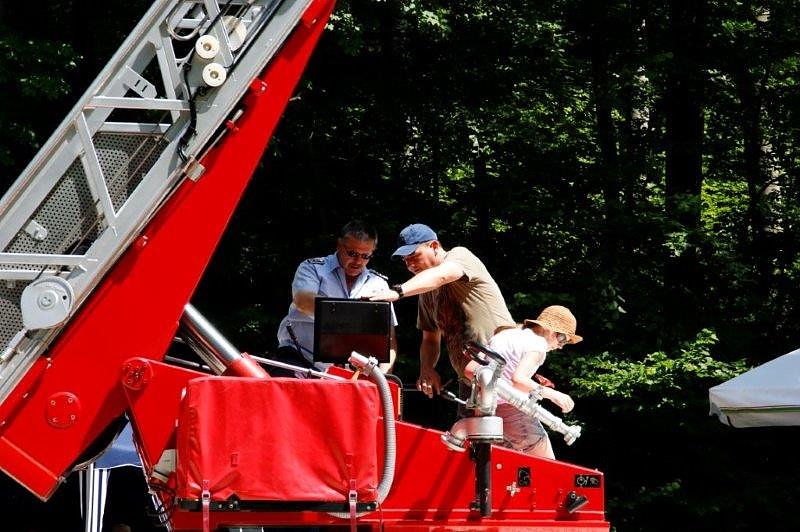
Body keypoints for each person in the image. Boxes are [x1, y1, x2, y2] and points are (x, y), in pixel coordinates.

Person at [369, 223, 515, 398]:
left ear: (434, 246)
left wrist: (398, 291)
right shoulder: (425, 290)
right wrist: (427, 369)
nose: (410, 265)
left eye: (414, 256)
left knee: (516, 424)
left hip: (504, 369)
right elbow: (430, 338)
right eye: (405, 260)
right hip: (471, 378)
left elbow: (443, 275)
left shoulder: (459, 255)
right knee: (466, 426)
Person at [275, 220, 397, 377]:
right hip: (299, 357)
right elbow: (303, 301)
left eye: (365, 256)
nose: (358, 261)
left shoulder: (378, 284)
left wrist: (383, 375)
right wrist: (357, 317)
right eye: (352, 253)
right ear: (339, 245)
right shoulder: (313, 268)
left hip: (348, 372)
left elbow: (388, 337)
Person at [467, 305, 581, 459]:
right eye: (562, 339)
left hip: (483, 410)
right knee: (546, 463)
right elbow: (518, 380)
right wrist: (553, 394)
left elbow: (470, 369)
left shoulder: (504, 334)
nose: (560, 346)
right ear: (550, 330)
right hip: (511, 408)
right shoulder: (538, 344)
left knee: (498, 465)